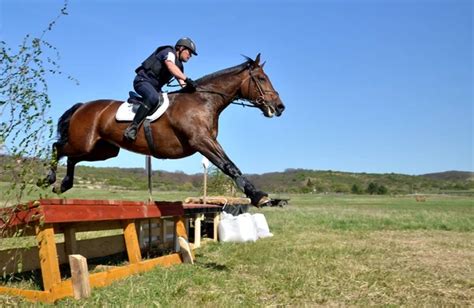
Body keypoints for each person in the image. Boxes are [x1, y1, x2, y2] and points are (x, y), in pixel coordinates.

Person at [123, 37, 198, 141]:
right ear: (180, 48)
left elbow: (182, 82)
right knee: (153, 98)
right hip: (142, 81)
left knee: (168, 103)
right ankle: (133, 127)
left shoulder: (179, 66)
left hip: (155, 88)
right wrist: (186, 79)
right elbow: (170, 66)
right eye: (189, 52)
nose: (190, 56)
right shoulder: (168, 51)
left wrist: (191, 90)